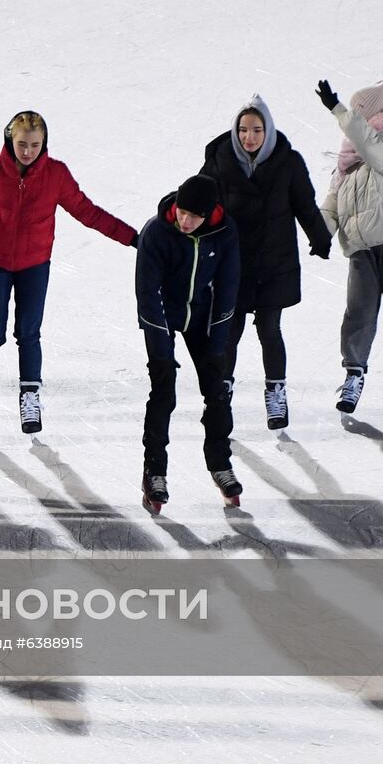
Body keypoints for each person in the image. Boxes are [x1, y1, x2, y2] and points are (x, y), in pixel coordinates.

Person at [0, 110, 136, 435]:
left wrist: (132, 237)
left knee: (28, 333)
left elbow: (88, 212)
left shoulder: (55, 175)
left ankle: (30, 395)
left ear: (44, 144)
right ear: (9, 139)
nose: (27, 151)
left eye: (34, 144)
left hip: (34, 264)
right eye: (21, 144)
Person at [200, 95, 333, 430]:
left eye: (256, 130)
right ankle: (221, 394)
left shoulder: (288, 162)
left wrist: (320, 237)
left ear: (267, 130)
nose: (249, 137)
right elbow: (198, 199)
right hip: (234, 263)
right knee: (230, 331)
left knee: (270, 330)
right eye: (244, 130)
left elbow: (305, 204)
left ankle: (276, 392)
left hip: (275, 261)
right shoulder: (219, 160)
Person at [316, 79, 383, 413]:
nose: (355, 119)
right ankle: (353, 374)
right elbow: (333, 200)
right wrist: (321, 233)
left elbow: (371, 145)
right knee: (358, 314)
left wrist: (338, 110)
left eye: (359, 112)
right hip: (361, 248)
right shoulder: (349, 162)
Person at [135, 174, 242, 513]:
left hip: (202, 319)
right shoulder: (156, 232)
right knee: (164, 391)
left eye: (193, 216)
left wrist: (217, 345)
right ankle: (154, 473)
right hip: (162, 318)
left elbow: (227, 290)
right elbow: (147, 295)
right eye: (182, 211)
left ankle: (220, 465)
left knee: (217, 388)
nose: (184, 220)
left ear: (209, 214)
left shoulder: (224, 234)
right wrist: (162, 351)